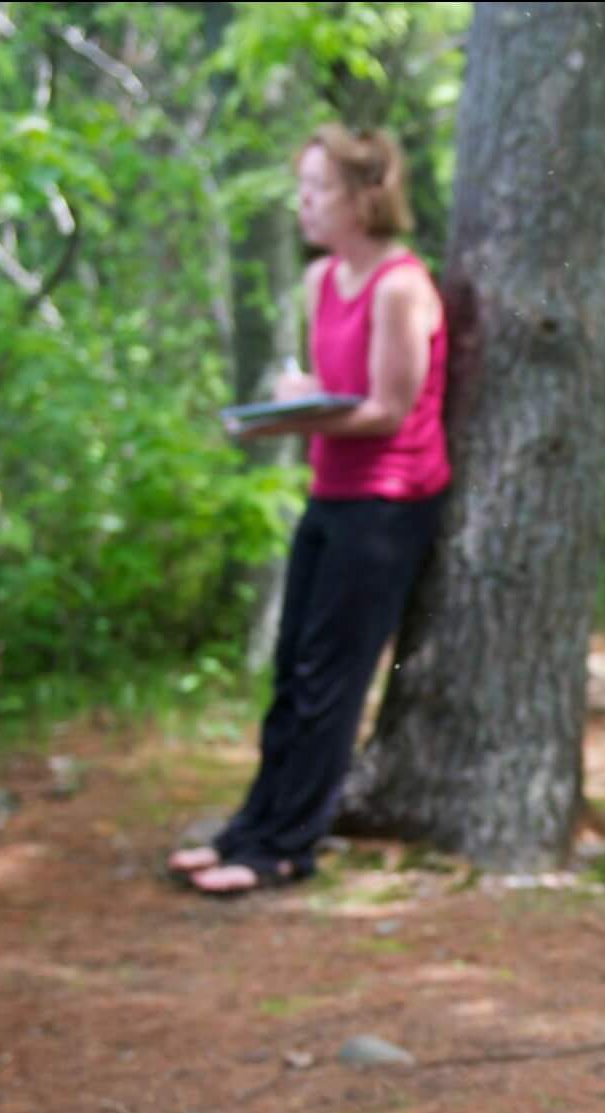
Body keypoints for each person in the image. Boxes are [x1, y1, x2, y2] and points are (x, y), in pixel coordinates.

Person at [169, 125, 449, 895]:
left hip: (387, 506)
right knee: (292, 672)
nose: (304, 203)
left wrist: (288, 419)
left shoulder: (401, 285)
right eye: (302, 188)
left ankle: (285, 849)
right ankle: (249, 829)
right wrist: (294, 407)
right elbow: (334, 392)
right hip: (330, 494)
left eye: (318, 188)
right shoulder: (321, 279)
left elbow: (388, 412)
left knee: (330, 680)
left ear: (366, 196)